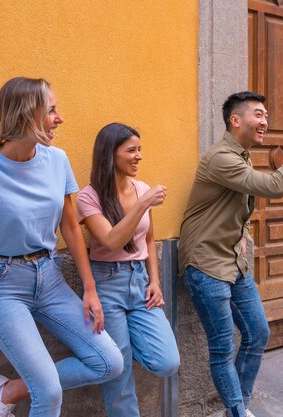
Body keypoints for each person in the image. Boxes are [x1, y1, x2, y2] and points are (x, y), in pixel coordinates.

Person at [0, 77, 124, 417]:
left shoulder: (56, 160)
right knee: (47, 393)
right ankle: (32, 385)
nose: (59, 119)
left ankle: (8, 390)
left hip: (50, 277)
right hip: (3, 284)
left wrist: (90, 288)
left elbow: (70, 227)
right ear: (25, 115)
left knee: (109, 362)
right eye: (52, 111)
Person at [179, 91, 283, 417]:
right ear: (235, 119)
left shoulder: (241, 155)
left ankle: (236, 408)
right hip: (206, 264)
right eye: (258, 114)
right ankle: (238, 411)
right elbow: (272, 187)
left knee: (258, 334)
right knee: (223, 347)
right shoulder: (220, 157)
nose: (265, 121)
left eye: (266, 115)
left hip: (232, 261)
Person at [76, 122, 180, 417]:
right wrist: (143, 203)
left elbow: (147, 236)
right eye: (131, 150)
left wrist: (155, 280)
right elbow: (111, 240)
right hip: (106, 285)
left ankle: (125, 347)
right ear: (111, 154)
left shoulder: (141, 188)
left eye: (140, 150)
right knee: (118, 374)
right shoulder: (89, 197)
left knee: (167, 361)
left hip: (140, 281)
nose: (138, 157)